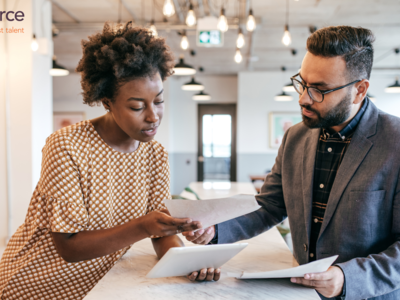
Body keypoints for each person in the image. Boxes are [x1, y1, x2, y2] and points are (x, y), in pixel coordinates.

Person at [0, 22, 219, 300]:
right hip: (35, 285)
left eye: (159, 101)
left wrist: (188, 263)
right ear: (106, 102)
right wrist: (142, 225)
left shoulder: (154, 155)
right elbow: (69, 246)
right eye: (137, 106)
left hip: (96, 287)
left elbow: (160, 233)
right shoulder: (67, 146)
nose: (153, 116)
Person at [184, 26, 400, 299]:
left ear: (359, 90)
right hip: (301, 292)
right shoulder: (295, 137)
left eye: (320, 90)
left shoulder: (395, 143)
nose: (303, 98)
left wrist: (347, 278)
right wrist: (216, 230)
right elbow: (271, 205)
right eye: (302, 83)